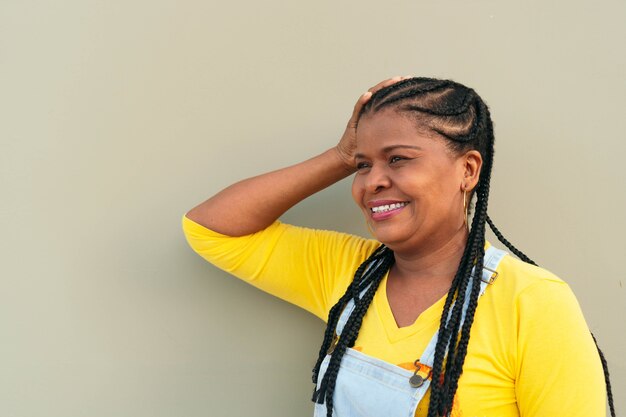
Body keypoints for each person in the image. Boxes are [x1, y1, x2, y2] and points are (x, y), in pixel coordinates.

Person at [182, 76, 615, 417]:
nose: (373, 181)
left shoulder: (532, 301)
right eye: (363, 164)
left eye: (399, 159)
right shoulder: (348, 271)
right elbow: (212, 228)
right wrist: (338, 155)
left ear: (467, 169)